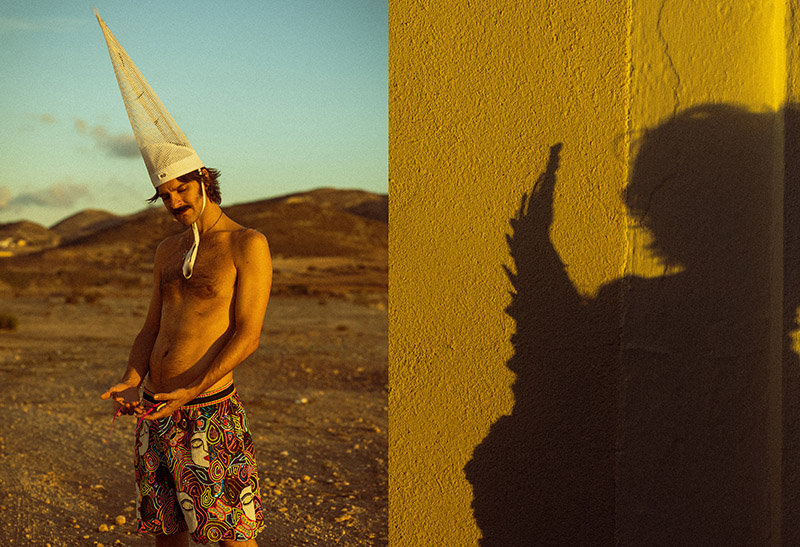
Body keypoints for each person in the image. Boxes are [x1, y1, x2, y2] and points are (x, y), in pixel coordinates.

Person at [102, 167, 272, 547]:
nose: (175, 202)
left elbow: (249, 335)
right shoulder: (167, 250)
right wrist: (132, 378)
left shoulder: (246, 243)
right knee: (168, 532)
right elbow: (151, 328)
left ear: (204, 182)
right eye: (164, 196)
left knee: (231, 535)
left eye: (181, 189)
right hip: (155, 413)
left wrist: (192, 389)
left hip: (209, 411)